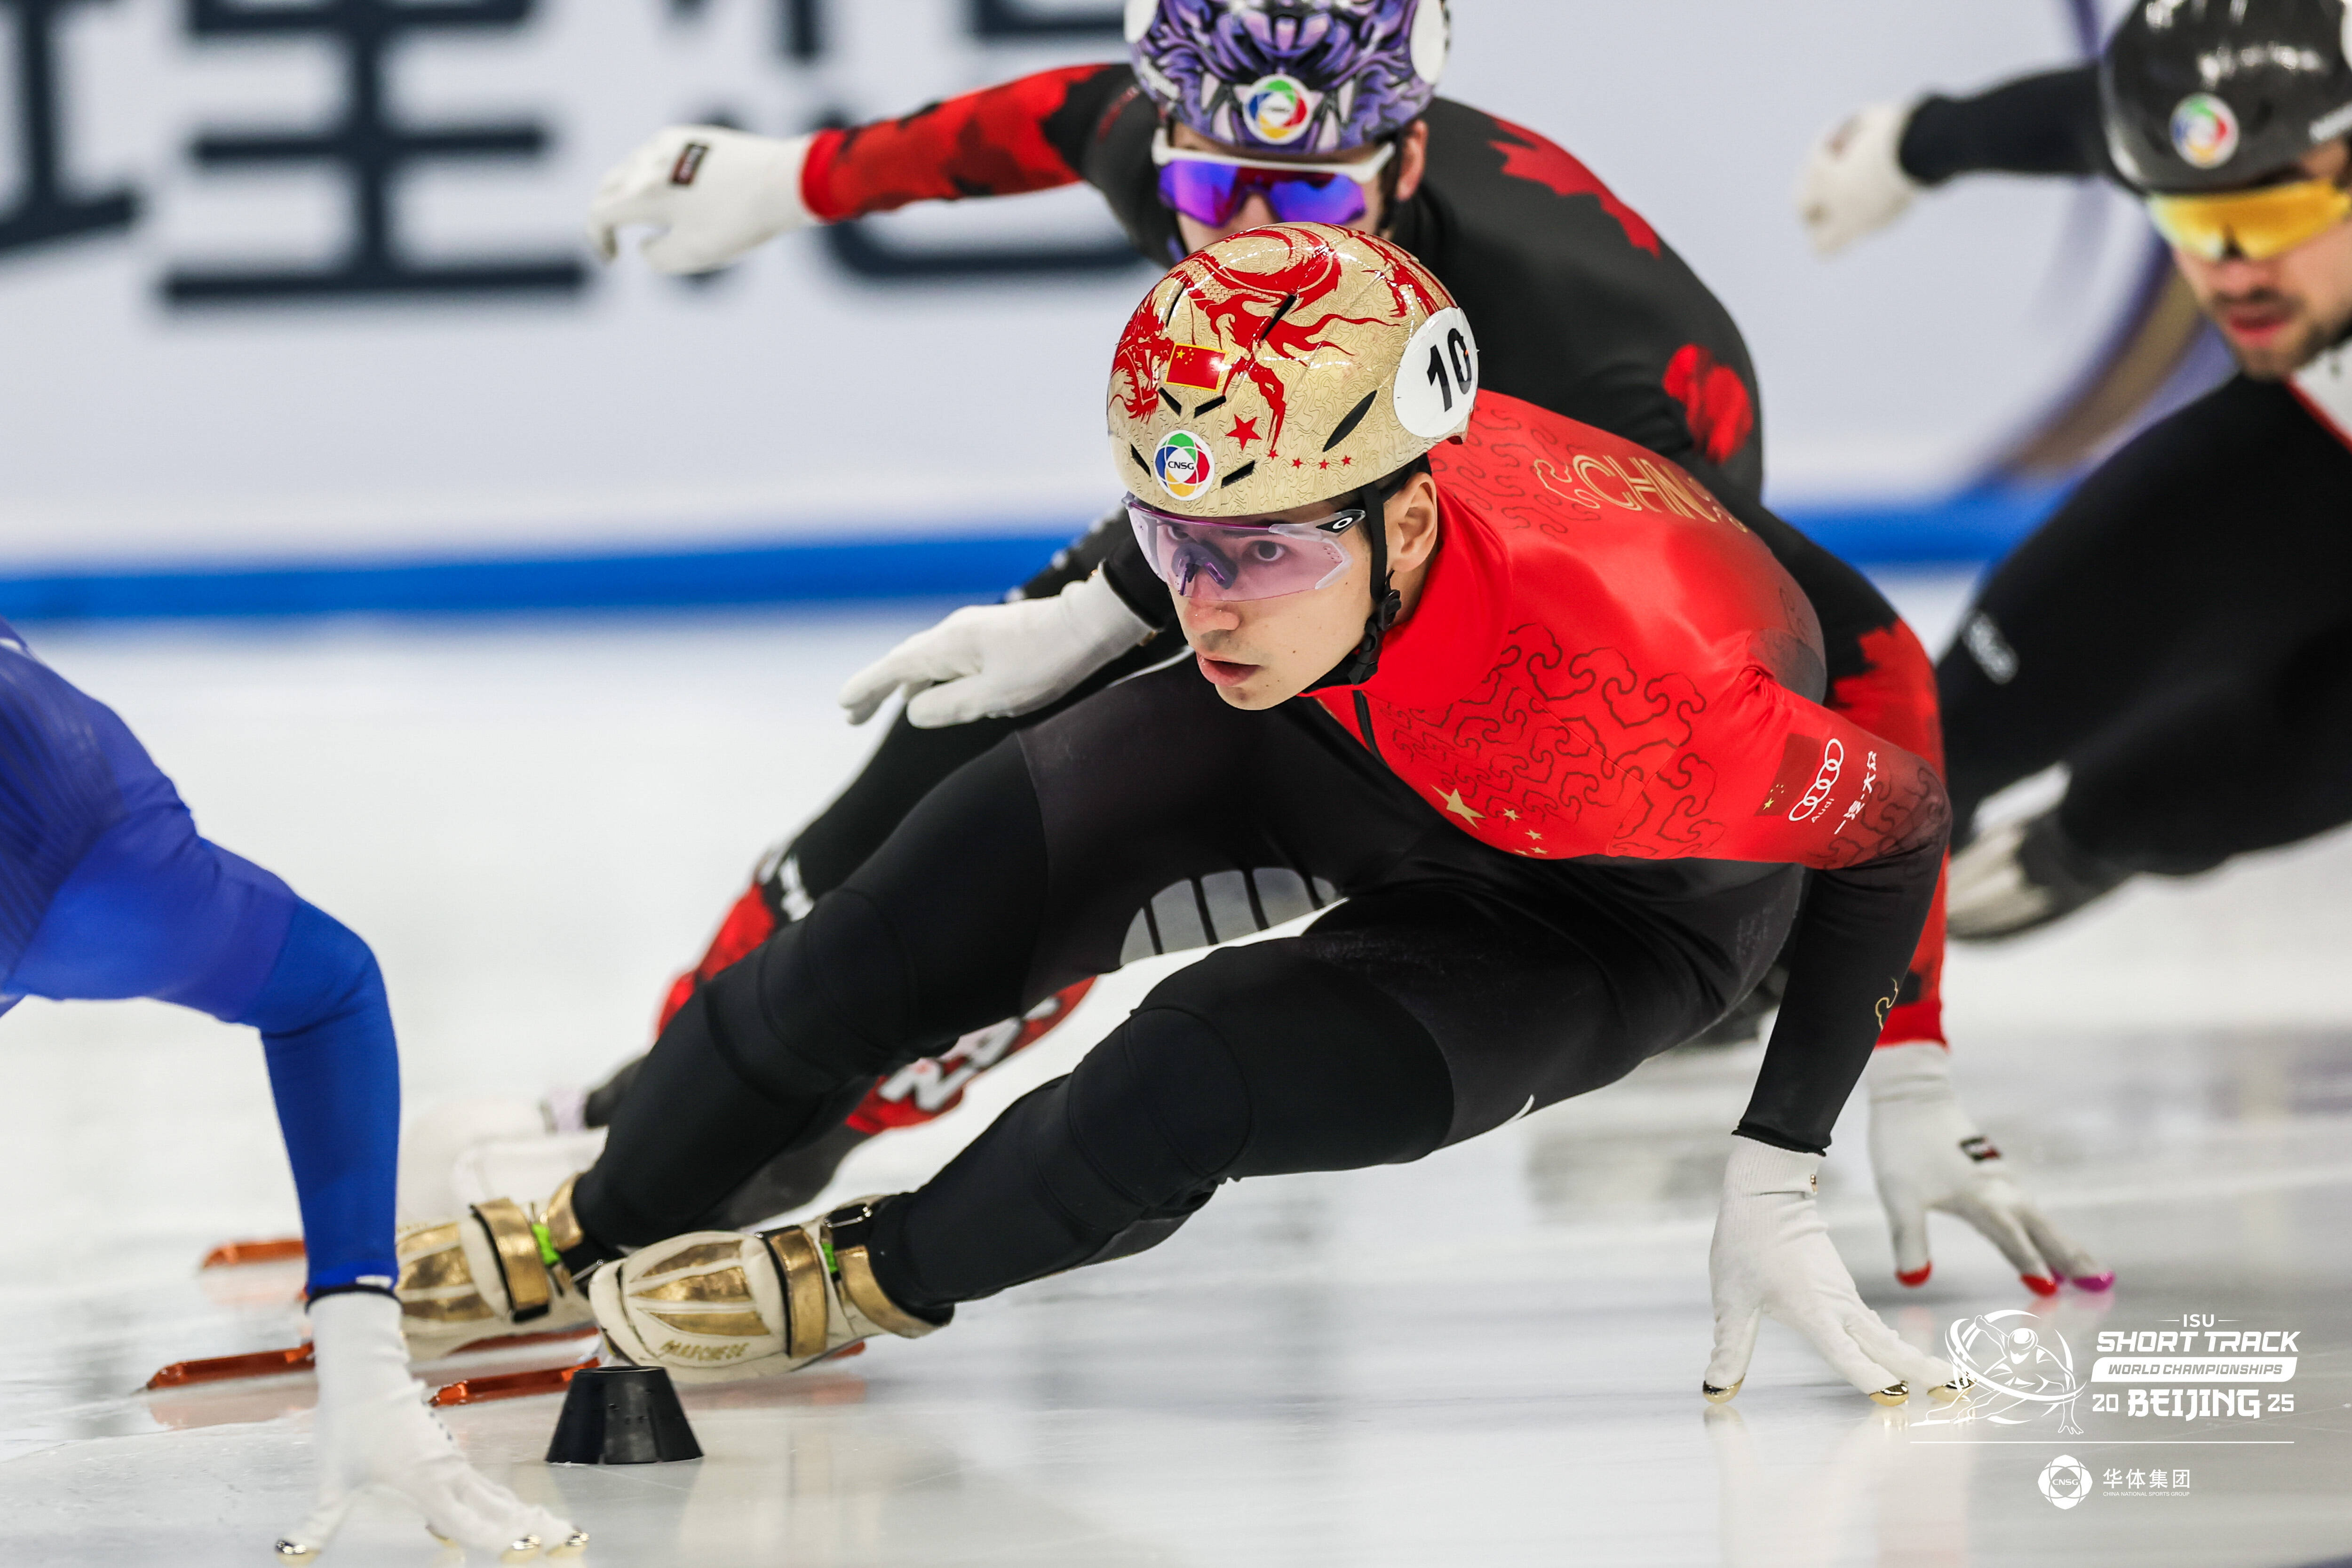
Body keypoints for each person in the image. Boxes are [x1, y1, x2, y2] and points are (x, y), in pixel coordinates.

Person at [543, 0, 2103, 1294]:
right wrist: (804, 178)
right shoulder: (1184, 154)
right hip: (1303, 540)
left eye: (1313, 210)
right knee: (960, 755)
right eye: (1219, 204)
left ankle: (788, 1124)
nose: (1257, 264)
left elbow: (1871, 659)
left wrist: (1899, 1050)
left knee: (1093, 831)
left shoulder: (1592, 365)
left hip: (1558, 694)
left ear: (1407, 161)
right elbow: (1050, 116)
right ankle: (702, 1087)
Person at [397, 224, 1973, 1410]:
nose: (1205, 601)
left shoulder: (1639, 697)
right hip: (1339, 724)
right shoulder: (1306, 497)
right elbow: (1227, 514)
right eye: (1179, 543)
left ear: (1408, 516)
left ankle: (874, 1274)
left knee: (1186, 1071)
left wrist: (1781, 1156)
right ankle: (589, 1221)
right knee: (882, 931)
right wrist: (1093, 613)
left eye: (1259, 557)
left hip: (1610, 904)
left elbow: (1897, 825)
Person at [0, 624, 583, 1561]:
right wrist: (363, 1362)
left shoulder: (86, 852)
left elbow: (327, 992)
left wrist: (366, 1371)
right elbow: (328, 992)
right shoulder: (95, 863)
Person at [1795, 0, 2352, 939]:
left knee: (2156, 798)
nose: (2230, 276)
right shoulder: (2211, 139)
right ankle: (1759, 958)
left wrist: (2101, 834)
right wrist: (1910, 145)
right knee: (1948, 733)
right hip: (2308, 439)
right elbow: (2085, 120)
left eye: (2275, 217)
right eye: (2186, 217)